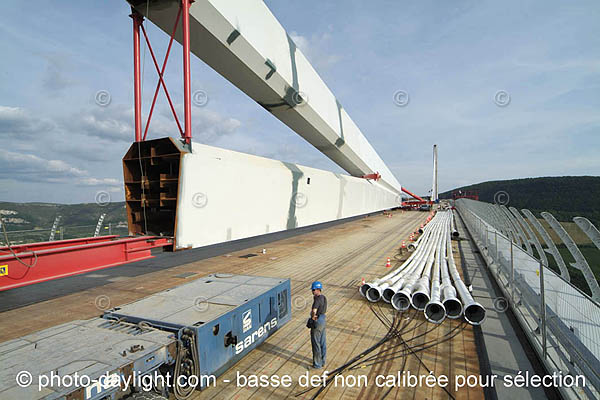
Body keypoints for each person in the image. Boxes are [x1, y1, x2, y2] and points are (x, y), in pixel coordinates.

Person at [309, 281, 327, 369]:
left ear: (317, 290)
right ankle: (323, 361)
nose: (312, 292)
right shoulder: (324, 298)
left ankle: (317, 364)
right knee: (323, 342)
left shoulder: (317, 299)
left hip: (318, 320)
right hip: (323, 319)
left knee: (316, 343)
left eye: (313, 290)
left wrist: (312, 319)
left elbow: (314, 311)